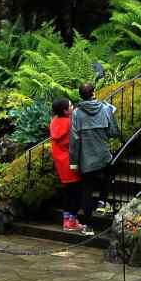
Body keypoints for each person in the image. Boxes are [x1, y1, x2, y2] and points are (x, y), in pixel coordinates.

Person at [68, 81, 120, 228]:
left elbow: (74, 140)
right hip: (103, 156)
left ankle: (88, 226)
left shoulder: (77, 113)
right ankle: (102, 201)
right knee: (109, 175)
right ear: (94, 93)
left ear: (80, 96)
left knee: (87, 190)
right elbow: (113, 132)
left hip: (86, 160)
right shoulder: (105, 109)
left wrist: (73, 163)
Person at [47, 97, 82, 232]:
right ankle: (72, 221)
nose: (73, 107)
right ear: (65, 111)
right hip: (71, 161)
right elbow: (74, 142)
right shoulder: (70, 123)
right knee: (76, 193)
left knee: (68, 192)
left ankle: (66, 220)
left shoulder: (54, 122)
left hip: (60, 161)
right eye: (71, 106)